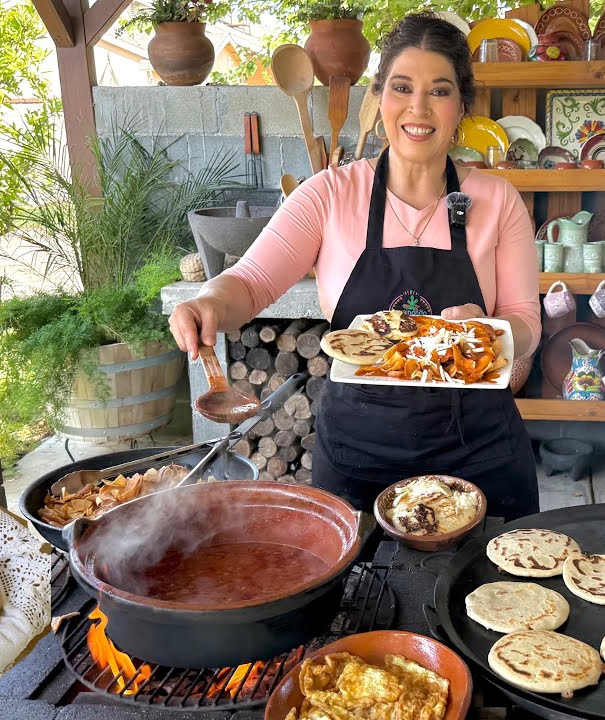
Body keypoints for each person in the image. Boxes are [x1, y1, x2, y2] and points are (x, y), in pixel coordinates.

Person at [169, 12, 541, 520]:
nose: (418, 107)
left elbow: (527, 323)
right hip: (361, 458)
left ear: (461, 106)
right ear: (378, 97)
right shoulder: (329, 194)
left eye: (439, 91)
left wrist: (489, 334)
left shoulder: (497, 201)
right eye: (402, 87)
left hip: (480, 453)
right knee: (358, 599)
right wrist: (209, 302)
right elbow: (250, 283)